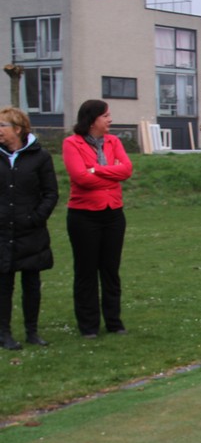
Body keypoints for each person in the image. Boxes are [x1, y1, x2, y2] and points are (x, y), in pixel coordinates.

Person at [63, 99, 133, 338]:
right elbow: (80, 178)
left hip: (113, 213)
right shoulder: (72, 143)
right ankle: (88, 325)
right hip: (84, 216)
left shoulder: (114, 141)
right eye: (105, 115)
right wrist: (110, 175)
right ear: (92, 120)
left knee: (110, 270)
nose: (110, 119)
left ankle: (114, 322)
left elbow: (126, 170)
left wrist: (97, 170)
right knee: (86, 270)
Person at [0, 107, 58, 350]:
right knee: (4, 285)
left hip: (31, 231)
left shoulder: (40, 157)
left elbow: (50, 193)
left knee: (31, 283)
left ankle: (32, 332)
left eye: (2, 125)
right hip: (3, 232)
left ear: (18, 129)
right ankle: (4, 334)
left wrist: (36, 218)